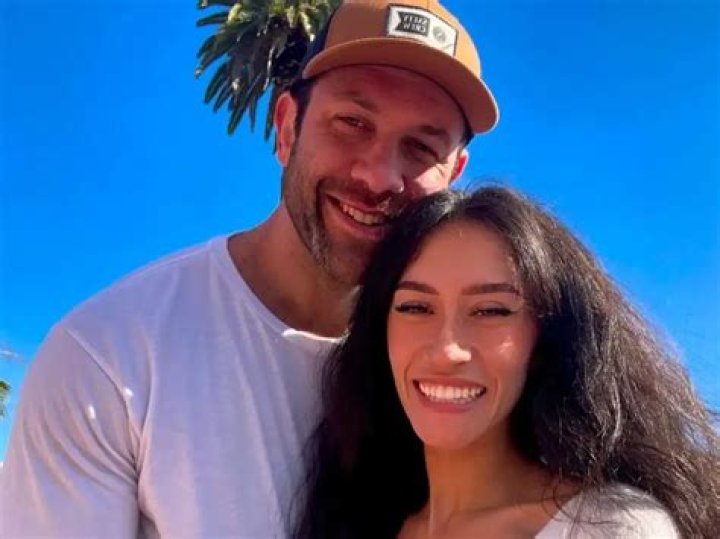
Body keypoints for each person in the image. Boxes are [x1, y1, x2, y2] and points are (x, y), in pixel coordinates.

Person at [0, 1, 500, 537]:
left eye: (421, 147)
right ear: (286, 128)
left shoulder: (468, 379)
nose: (379, 177)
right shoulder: (111, 354)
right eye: (352, 123)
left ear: (454, 174)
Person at [293, 186, 720, 538]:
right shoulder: (356, 522)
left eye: (491, 311)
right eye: (415, 308)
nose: (446, 350)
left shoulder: (606, 527)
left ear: (544, 340)